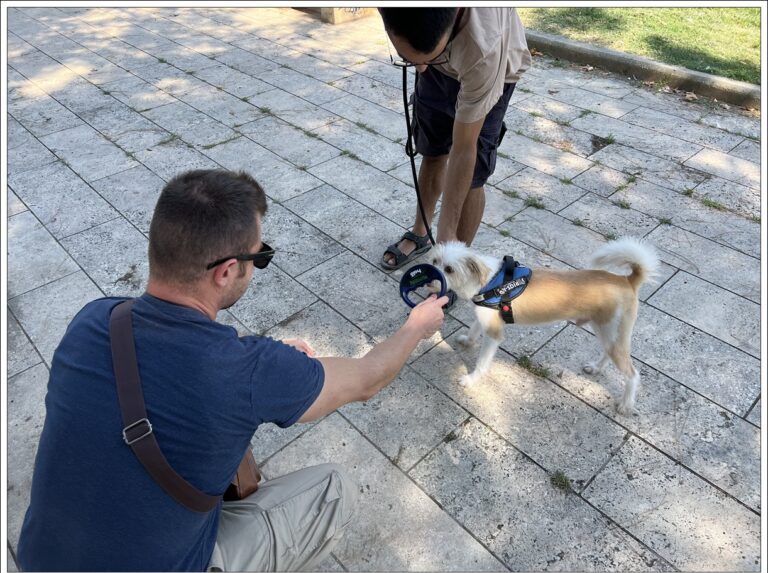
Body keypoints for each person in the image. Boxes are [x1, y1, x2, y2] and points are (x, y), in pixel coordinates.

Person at [17, 169, 448, 572]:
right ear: (226, 271)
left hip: (39, 558)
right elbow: (368, 378)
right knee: (333, 489)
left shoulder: (93, 319)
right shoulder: (249, 371)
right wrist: (416, 326)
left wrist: (264, 367)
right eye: (259, 258)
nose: (257, 266)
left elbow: (181, 369)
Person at [379, 7, 531, 270]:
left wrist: (446, 237)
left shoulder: (484, 49)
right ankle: (420, 233)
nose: (417, 64)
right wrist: (422, 60)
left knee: (472, 176)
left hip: (491, 71)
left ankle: (456, 262)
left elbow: (463, 149)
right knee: (433, 150)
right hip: (437, 64)